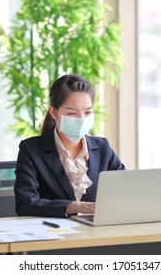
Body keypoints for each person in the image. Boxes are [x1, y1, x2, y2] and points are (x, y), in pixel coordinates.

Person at [14, 74, 125, 218]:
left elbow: (125, 189)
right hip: (53, 234)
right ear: (54, 113)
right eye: (72, 113)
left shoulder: (102, 148)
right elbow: (25, 203)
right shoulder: (31, 150)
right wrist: (73, 207)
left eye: (88, 112)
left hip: (98, 232)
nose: (81, 119)